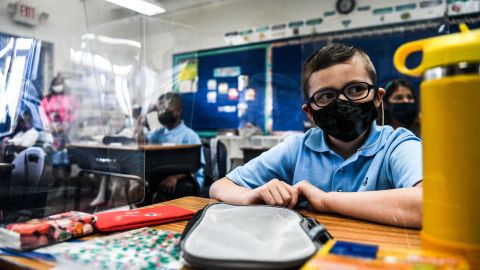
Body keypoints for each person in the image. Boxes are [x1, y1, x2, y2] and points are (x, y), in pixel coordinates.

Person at [210, 43, 423, 228]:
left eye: (356, 89)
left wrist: (323, 201)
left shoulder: (397, 144)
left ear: (377, 98)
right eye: (327, 95)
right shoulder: (298, 148)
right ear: (310, 112)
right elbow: (219, 187)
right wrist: (249, 196)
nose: (343, 102)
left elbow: (431, 206)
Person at [136, 92, 204, 202]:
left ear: (177, 111)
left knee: (162, 195)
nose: (161, 113)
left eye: (164, 109)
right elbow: (139, 141)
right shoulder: (159, 133)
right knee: (139, 189)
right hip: (162, 176)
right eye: (159, 110)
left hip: (187, 178)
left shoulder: (190, 136)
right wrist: (142, 116)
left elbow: (197, 167)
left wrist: (175, 177)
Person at [40, 74, 78, 182]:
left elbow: (75, 113)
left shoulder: (70, 98)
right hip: (52, 133)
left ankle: (67, 179)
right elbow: (43, 114)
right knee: (54, 156)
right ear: (52, 85)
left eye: (59, 84)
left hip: (66, 132)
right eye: (55, 84)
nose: (57, 86)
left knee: (66, 156)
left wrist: (67, 124)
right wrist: (49, 125)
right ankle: (55, 178)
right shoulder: (47, 98)